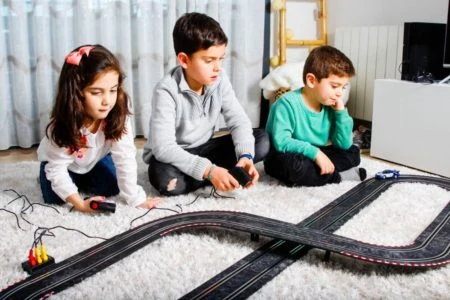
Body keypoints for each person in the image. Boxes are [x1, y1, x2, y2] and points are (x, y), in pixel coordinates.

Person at [142, 12, 270, 196]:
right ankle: (212, 175)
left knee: (262, 141)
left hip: (206, 149)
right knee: (163, 177)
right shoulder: (165, 90)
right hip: (175, 155)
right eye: (209, 60)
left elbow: (239, 121)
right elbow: (163, 148)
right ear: (184, 60)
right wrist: (209, 171)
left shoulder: (219, 78)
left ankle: (202, 176)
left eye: (221, 58)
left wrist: (245, 157)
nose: (218, 67)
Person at [38, 44, 159, 213]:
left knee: (113, 187)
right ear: (77, 93)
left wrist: (136, 199)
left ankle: (86, 180)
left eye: (113, 90)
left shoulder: (117, 110)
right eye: (96, 92)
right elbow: (56, 169)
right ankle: (65, 181)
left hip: (95, 160)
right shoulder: (63, 123)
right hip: (63, 165)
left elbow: (125, 157)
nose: (107, 101)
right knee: (55, 199)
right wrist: (80, 204)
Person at [264, 45, 366, 187]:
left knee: (353, 152)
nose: (339, 93)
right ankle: (338, 177)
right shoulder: (286, 104)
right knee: (295, 166)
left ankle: (317, 175)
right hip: (285, 154)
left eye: (343, 87)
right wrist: (316, 154)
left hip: (314, 153)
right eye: (335, 86)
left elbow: (343, 144)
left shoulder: (330, 105)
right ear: (312, 80)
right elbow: (282, 143)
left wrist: (341, 113)